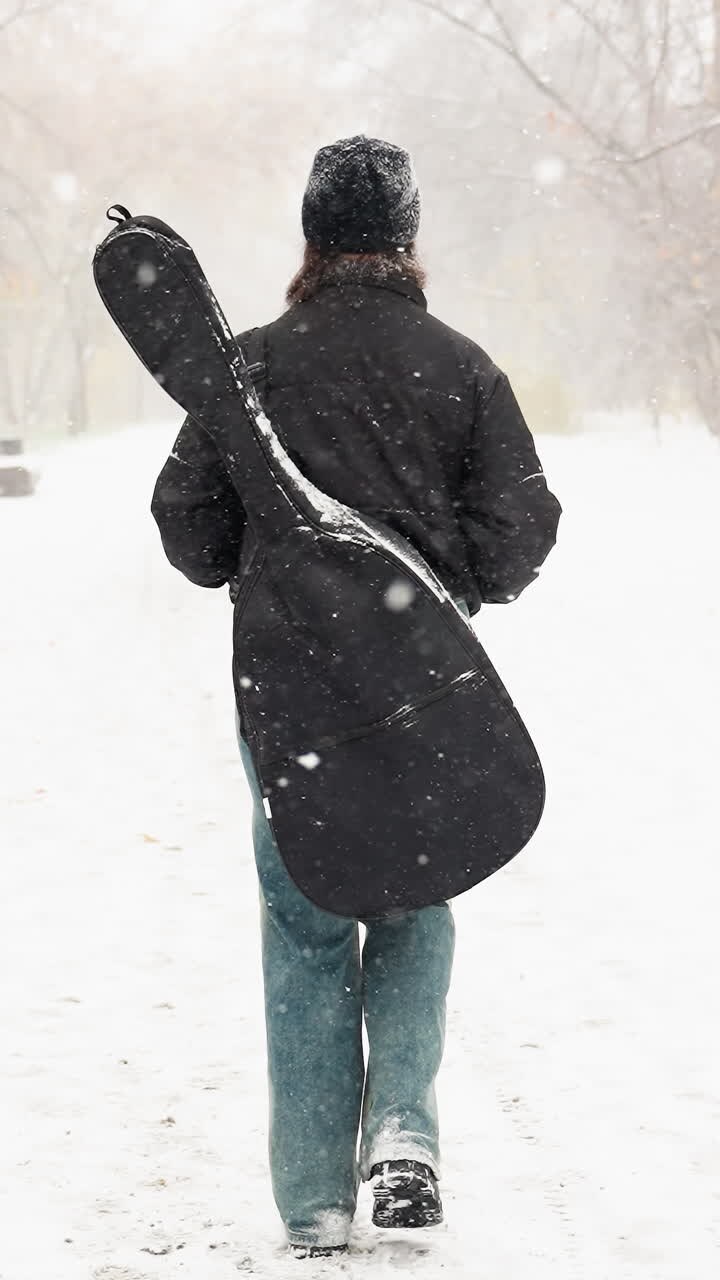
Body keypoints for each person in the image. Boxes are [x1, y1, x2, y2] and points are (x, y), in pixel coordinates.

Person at [151, 134, 561, 1259]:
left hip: (290, 694)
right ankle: (403, 1138)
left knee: (306, 923)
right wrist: (445, 587)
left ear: (311, 237)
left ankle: (314, 1201)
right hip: (423, 686)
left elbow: (187, 528)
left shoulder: (253, 368)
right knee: (416, 899)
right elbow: (523, 529)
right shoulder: (461, 366)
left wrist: (267, 558)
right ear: (406, 235)